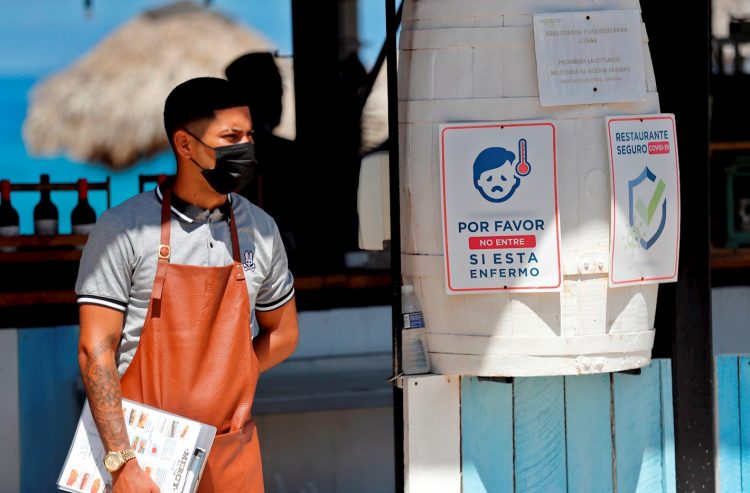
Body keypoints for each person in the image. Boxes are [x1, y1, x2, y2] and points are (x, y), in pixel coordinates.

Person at [76, 77, 299, 493]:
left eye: (248, 135)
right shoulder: (123, 230)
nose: (246, 147)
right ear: (185, 144)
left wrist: (230, 375)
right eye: (231, 137)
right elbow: (95, 351)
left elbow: (283, 334)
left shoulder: (261, 230)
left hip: (231, 451)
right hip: (144, 456)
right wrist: (122, 463)